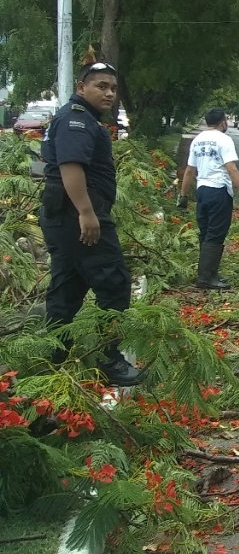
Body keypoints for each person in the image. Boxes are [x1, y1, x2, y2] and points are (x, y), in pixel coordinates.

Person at [39, 55, 143, 386]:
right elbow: (71, 166)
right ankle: (107, 359)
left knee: (67, 286)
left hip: (65, 215)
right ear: (81, 87)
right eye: (101, 86)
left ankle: (53, 357)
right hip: (77, 214)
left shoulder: (80, 117)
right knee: (113, 281)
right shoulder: (77, 119)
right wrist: (87, 212)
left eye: (113, 88)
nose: (110, 93)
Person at [177, 108, 239, 290]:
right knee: (216, 233)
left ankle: (210, 272)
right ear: (223, 121)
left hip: (202, 191)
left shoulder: (198, 140)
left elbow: (189, 170)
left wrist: (183, 195)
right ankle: (205, 278)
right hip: (219, 190)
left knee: (206, 232)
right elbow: (232, 169)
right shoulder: (224, 140)